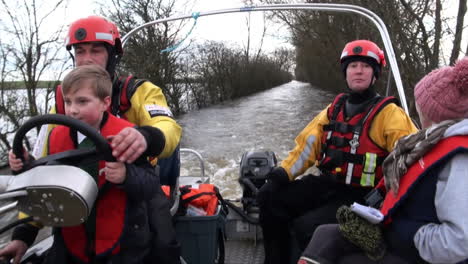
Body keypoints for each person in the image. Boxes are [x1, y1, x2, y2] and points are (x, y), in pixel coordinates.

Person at [3, 16, 182, 264]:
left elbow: (169, 128)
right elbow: (44, 176)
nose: (86, 59)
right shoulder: (64, 105)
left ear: (113, 55)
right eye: (79, 51)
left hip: (135, 186)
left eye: (96, 51)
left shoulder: (138, 91)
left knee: (164, 244)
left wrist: (145, 136)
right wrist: (24, 234)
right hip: (76, 198)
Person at [257, 39, 418, 264]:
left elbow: (412, 158)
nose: (358, 71)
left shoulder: (390, 114)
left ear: (375, 73)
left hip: (363, 198)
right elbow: (306, 148)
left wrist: (388, 202)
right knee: (269, 198)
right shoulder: (334, 109)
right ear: (346, 72)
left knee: (307, 226)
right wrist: (279, 176)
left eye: (365, 65)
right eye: (353, 66)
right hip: (328, 186)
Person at [299, 56, 468, 264]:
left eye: (421, 105)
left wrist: (397, 230)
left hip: (417, 249)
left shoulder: (460, 161)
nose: (416, 109)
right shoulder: (429, 141)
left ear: (435, 113)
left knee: (344, 258)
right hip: (396, 227)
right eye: (353, 66)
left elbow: (460, 242)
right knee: (324, 235)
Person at [2, 65, 160, 264]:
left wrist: (126, 175)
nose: (73, 110)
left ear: (106, 103)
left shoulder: (128, 136)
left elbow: (151, 185)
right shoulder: (56, 136)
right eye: (68, 102)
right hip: (69, 243)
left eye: (82, 101)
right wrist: (26, 165)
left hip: (122, 244)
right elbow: (45, 190)